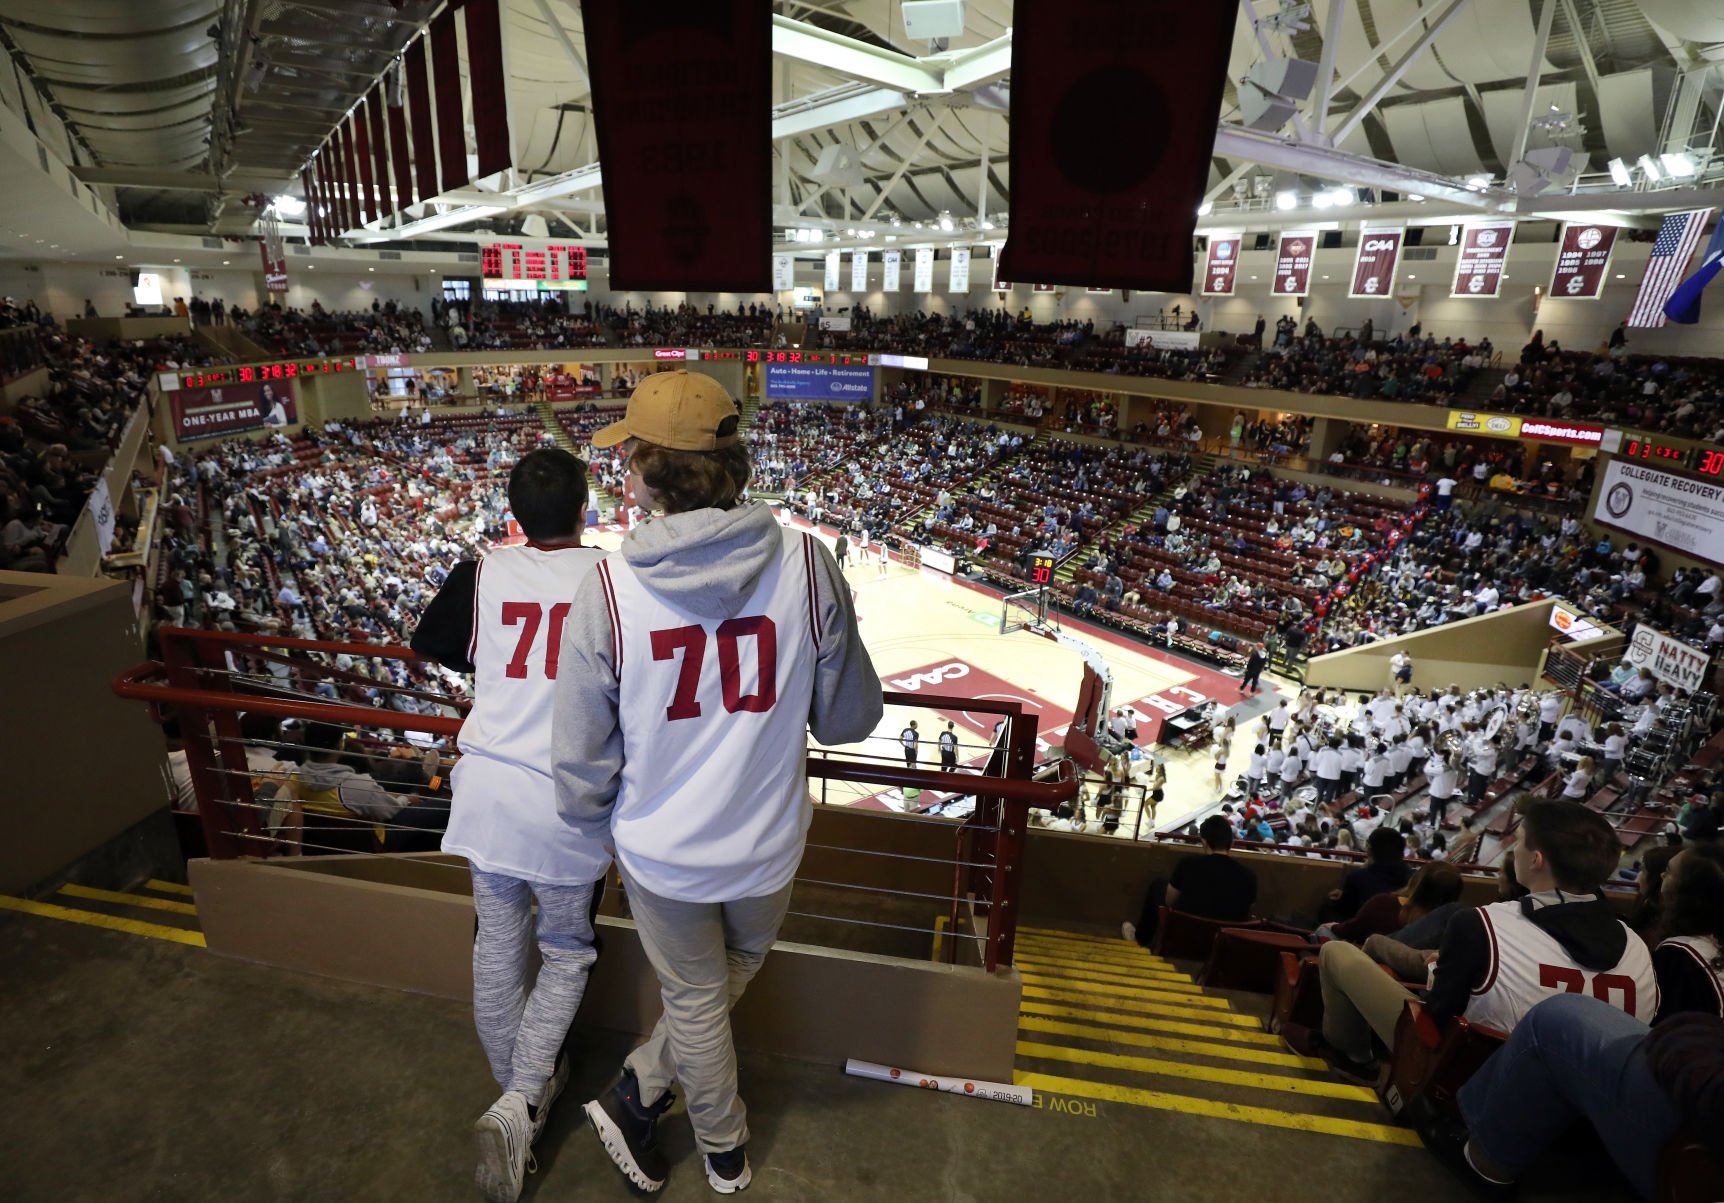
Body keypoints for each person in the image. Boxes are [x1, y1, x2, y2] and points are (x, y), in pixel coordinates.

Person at [552, 371, 883, 1194]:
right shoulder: (809, 563)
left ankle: (721, 1149)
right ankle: (647, 1091)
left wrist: (598, 827)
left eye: (630, 451)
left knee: (697, 997)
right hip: (767, 842)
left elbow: (581, 760)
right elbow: (848, 719)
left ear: (648, 472)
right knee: (733, 969)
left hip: (661, 851)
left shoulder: (607, 589)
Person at [410, 448, 611, 1203]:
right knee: (565, 950)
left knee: (497, 941)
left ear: (515, 515)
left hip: (489, 789)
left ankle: (514, 1093)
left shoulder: (483, 571)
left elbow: (429, 641)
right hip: (567, 801)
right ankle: (523, 1096)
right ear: (585, 510)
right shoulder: (611, 577)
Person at [1283, 801, 1658, 1085]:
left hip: (1467, 1080)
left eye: (1519, 842)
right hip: (1587, 1105)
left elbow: (1436, 1020)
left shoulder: (1483, 923)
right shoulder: (1638, 947)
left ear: (1536, 860)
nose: (1513, 850)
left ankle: (1355, 1058)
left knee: (1336, 952)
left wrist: (1438, 969)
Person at [1412, 996, 1723, 1200]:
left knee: (1554, 1020)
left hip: (1705, 1130)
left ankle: (1482, 1164)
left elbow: (1441, 1002)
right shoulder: (1638, 950)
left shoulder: (1677, 953)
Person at [1122, 815, 1257, 948]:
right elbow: (1246, 913)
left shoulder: (1187, 864)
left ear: (1204, 841)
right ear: (1231, 843)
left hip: (1186, 939)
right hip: (1224, 945)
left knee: (1158, 885)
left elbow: (1169, 902)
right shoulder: (1249, 876)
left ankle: (1140, 940)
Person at [1652, 843, 1724, 1022]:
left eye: (1669, 872)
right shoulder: (1712, 943)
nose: (1661, 875)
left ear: (1689, 893)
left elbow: (1668, 1028)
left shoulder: (1679, 955)